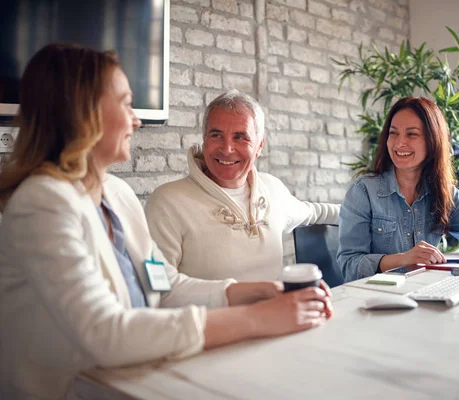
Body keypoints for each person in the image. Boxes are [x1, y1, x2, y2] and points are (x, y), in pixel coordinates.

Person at [0, 43, 333, 400]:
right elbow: (104, 332)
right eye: (126, 103)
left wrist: (253, 292)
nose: (137, 119)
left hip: (134, 380)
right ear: (83, 112)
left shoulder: (117, 192)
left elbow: (162, 285)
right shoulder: (42, 203)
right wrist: (259, 318)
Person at [145, 90, 340, 281]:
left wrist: (367, 212)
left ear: (259, 146)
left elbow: (316, 212)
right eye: (216, 135)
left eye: (240, 137)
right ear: (204, 139)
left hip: (275, 313)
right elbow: (158, 288)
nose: (227, 148)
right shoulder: (167, 202)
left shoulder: (273, 190)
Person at [337, 97, 459, 282]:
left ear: (432, 141)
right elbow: (349, 265)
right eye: (393, 133)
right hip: (371, 300)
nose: (399, 143)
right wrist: (403, 259)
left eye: (412, 134)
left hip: (421, 293)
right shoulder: (363, 191)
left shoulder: (443, 193)